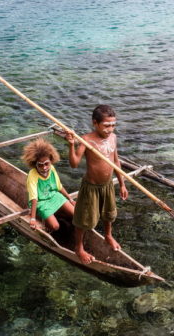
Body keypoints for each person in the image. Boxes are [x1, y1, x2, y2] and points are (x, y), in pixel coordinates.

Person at [66, 105, 128, 264]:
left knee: (109, 213)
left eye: (113, 125)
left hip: (107, 185)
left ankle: (108, 235)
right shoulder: (86, 140)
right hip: (91, 187)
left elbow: (116, 161)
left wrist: (122, 184)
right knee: (83, 219)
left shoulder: (113, 137)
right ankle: (79, 248)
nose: (110, 129)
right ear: (95, 123)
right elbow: (74, 164)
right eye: (106, 125)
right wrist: (71, 144)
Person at [22, 139, 75, 232]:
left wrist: (70, 199)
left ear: (51, 160)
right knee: (55, 227)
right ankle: (46, 223)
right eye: (40, 165)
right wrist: (33, 219)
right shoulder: (32, 175)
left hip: (53, 195)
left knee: (75, 214)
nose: (44, 168)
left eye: (46, 164)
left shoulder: (52, 169)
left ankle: (57, 215)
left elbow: (59, 186)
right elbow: (34, 199)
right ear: (35, 164)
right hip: (40, 202)